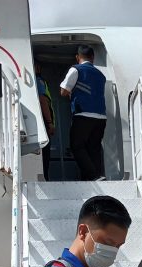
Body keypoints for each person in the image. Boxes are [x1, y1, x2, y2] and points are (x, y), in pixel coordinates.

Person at [60, 45, 107, 181]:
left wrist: (71, 93)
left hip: (83, 115)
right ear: (93, 58)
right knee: (94, 148)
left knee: (77, 146)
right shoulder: (101, 75)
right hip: (101, 117)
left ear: (77, 57)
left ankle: (93, 176)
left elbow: (63, 91)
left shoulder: (76, 69)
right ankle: (97, 175)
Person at [35, 61, 56, 181]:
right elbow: (43, 100)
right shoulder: (38, 81)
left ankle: (45, 178)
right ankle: (45, 180)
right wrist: (49, 123)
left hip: (41, 122)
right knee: (45, 155)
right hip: (43, 123)